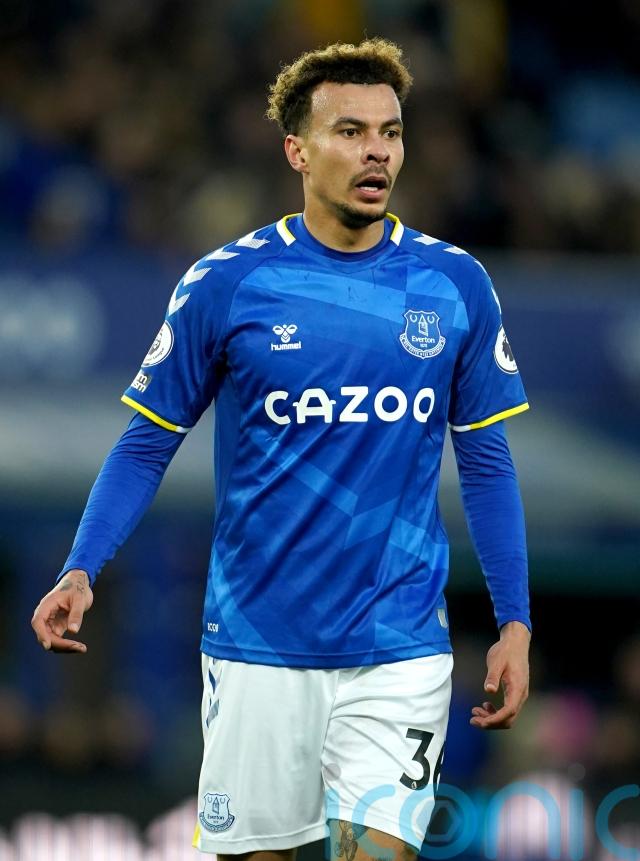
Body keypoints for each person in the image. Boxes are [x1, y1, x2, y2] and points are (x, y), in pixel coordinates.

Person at [32, 38, 531, 860]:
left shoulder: (455, 286)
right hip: (258, 644)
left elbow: (486, 461)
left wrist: (514, 619)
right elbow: (146, 441)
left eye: (391, 132)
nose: (377, 151)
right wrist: (83, 565)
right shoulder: (228, 283)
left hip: (399, 646)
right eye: (350, 131)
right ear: (298, 149)